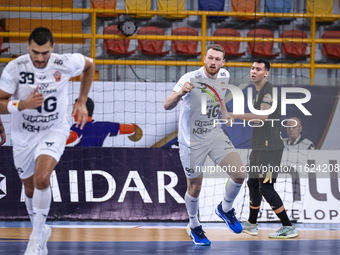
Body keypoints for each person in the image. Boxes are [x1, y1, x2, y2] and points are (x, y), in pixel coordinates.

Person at [0, 27, 95, 255]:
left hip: (54, 129)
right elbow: (0, 101)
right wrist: (21, 105)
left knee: (42, 178)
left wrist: (82, 99)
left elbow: (90, 64)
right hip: (23, 132)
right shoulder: (15, 68)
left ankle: (36, 237)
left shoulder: (63, 63)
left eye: (44, 53)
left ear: (52, 48)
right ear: (28, 48)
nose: (40, 58)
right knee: (29, 187)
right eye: (35, 52)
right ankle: (41, 230)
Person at [164, 44, 246, 246]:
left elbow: (218, 96)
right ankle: (194, 225)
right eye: (210, 58)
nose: (213, 62)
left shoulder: (224, 75)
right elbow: (167, 105)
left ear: (223, 62)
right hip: (191, 141)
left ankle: (225, 209)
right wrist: (181, 92)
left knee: (239, 174)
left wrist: (224, 112)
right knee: (195, 186)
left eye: (218, 59)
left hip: (214, 133)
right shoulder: (189, 78)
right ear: (204, 58)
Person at [227, 59, 298, 238]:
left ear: (266, 73)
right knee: (252, 183)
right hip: (258, 147)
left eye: (258, 69)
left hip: (270, 149)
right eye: (252, 68)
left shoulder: (269, 91)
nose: (253, 71)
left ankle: (288, 226)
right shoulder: (258, 92)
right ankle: (251, 224)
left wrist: (234, 115)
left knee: (266, 187)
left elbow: (262, 117)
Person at [66, 97, 143, 146]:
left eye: (75, 109)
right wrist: (134, 128)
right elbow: (130, 129)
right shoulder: (103, 126)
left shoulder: (78, 127)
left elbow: (72, 137)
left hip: (78, 162)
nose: (73, 114)